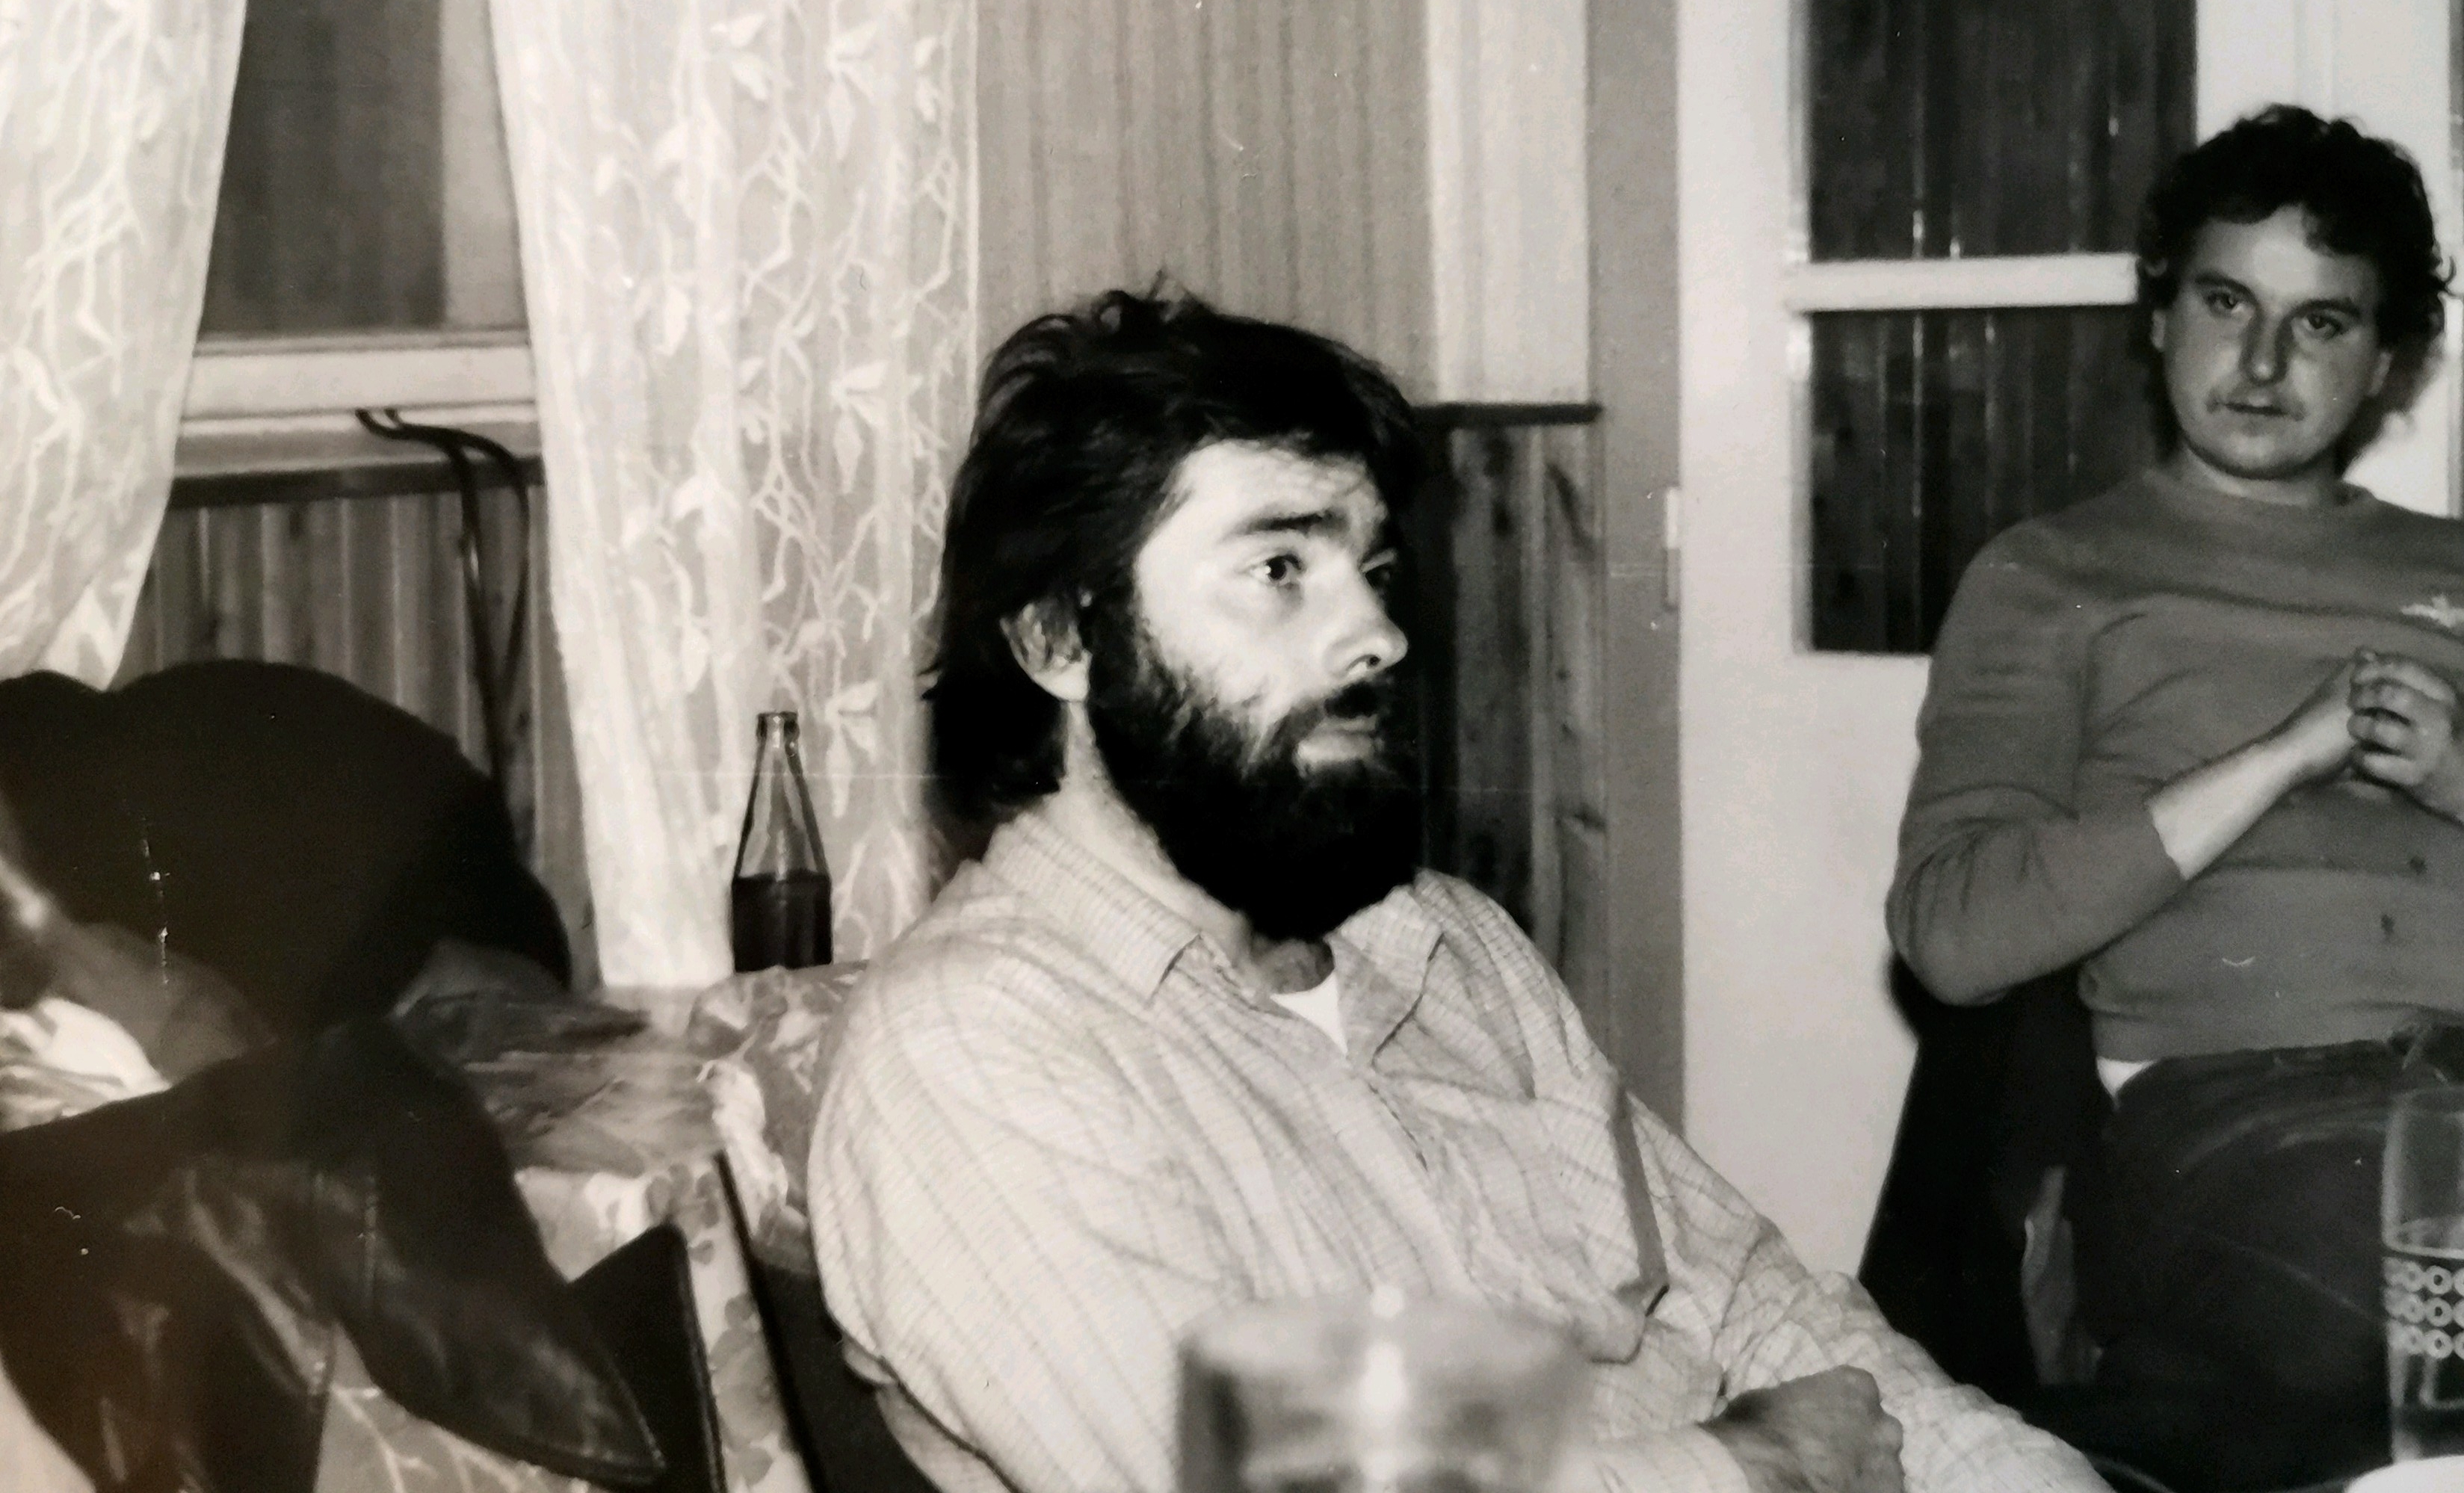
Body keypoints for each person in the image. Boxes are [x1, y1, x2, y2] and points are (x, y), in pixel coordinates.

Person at [811, 290, 2102, 1493]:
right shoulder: (971, 1046)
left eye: (1372, 572)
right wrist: (1744, 1467)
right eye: (1279, 569)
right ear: (1060, 638)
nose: (1379, 635)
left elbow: (1758, 1303)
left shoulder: (1445, 946)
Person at [1889, 105, 2464, 1489]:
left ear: (2386, 362)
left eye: (2319, 322)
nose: (2260, 363)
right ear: (2157, 316)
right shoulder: (2051, 575)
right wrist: (2274, 759)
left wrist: (2457, 773)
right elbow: (1952, 934)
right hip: (2243, 1112)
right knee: (2388, 1332)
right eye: (2224, 302)